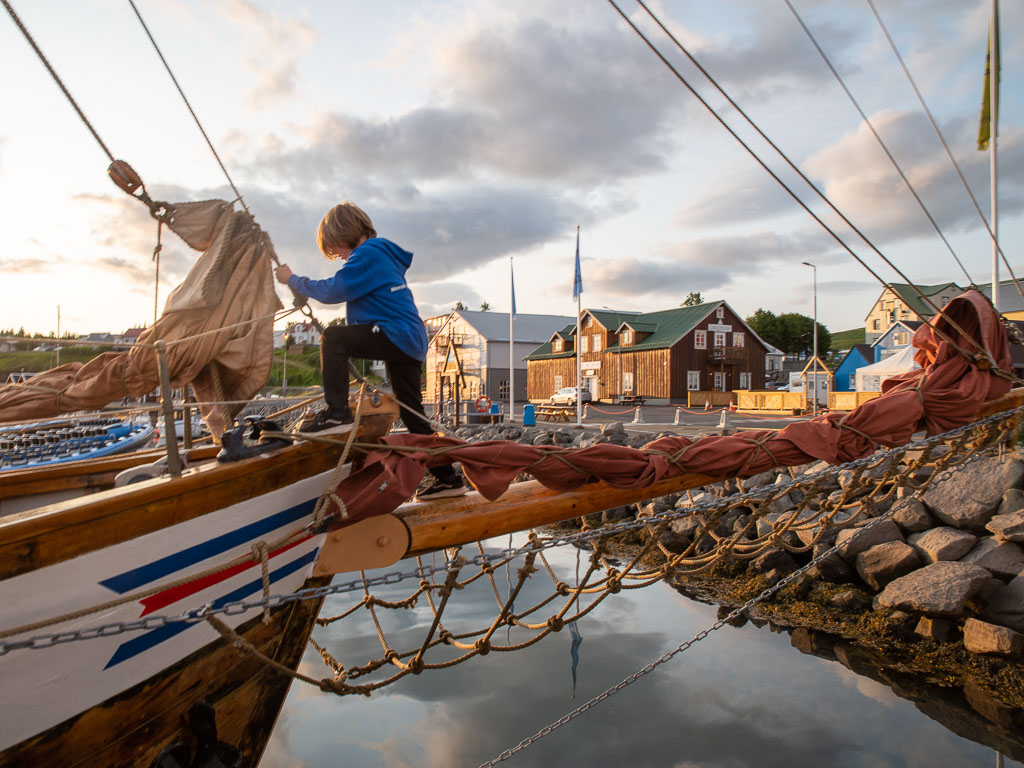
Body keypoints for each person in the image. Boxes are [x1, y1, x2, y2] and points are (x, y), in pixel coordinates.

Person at [274, 202, 465, 500]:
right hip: (409, 339)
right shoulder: (380, 255)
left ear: (345, 233)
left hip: (394, 334)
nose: (338, 256)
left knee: (334, 339)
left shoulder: (368, 254)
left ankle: (338, 414)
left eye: (336, 249)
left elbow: (333, 291)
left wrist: (293, 280)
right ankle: (448, 479)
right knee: (413, 414)